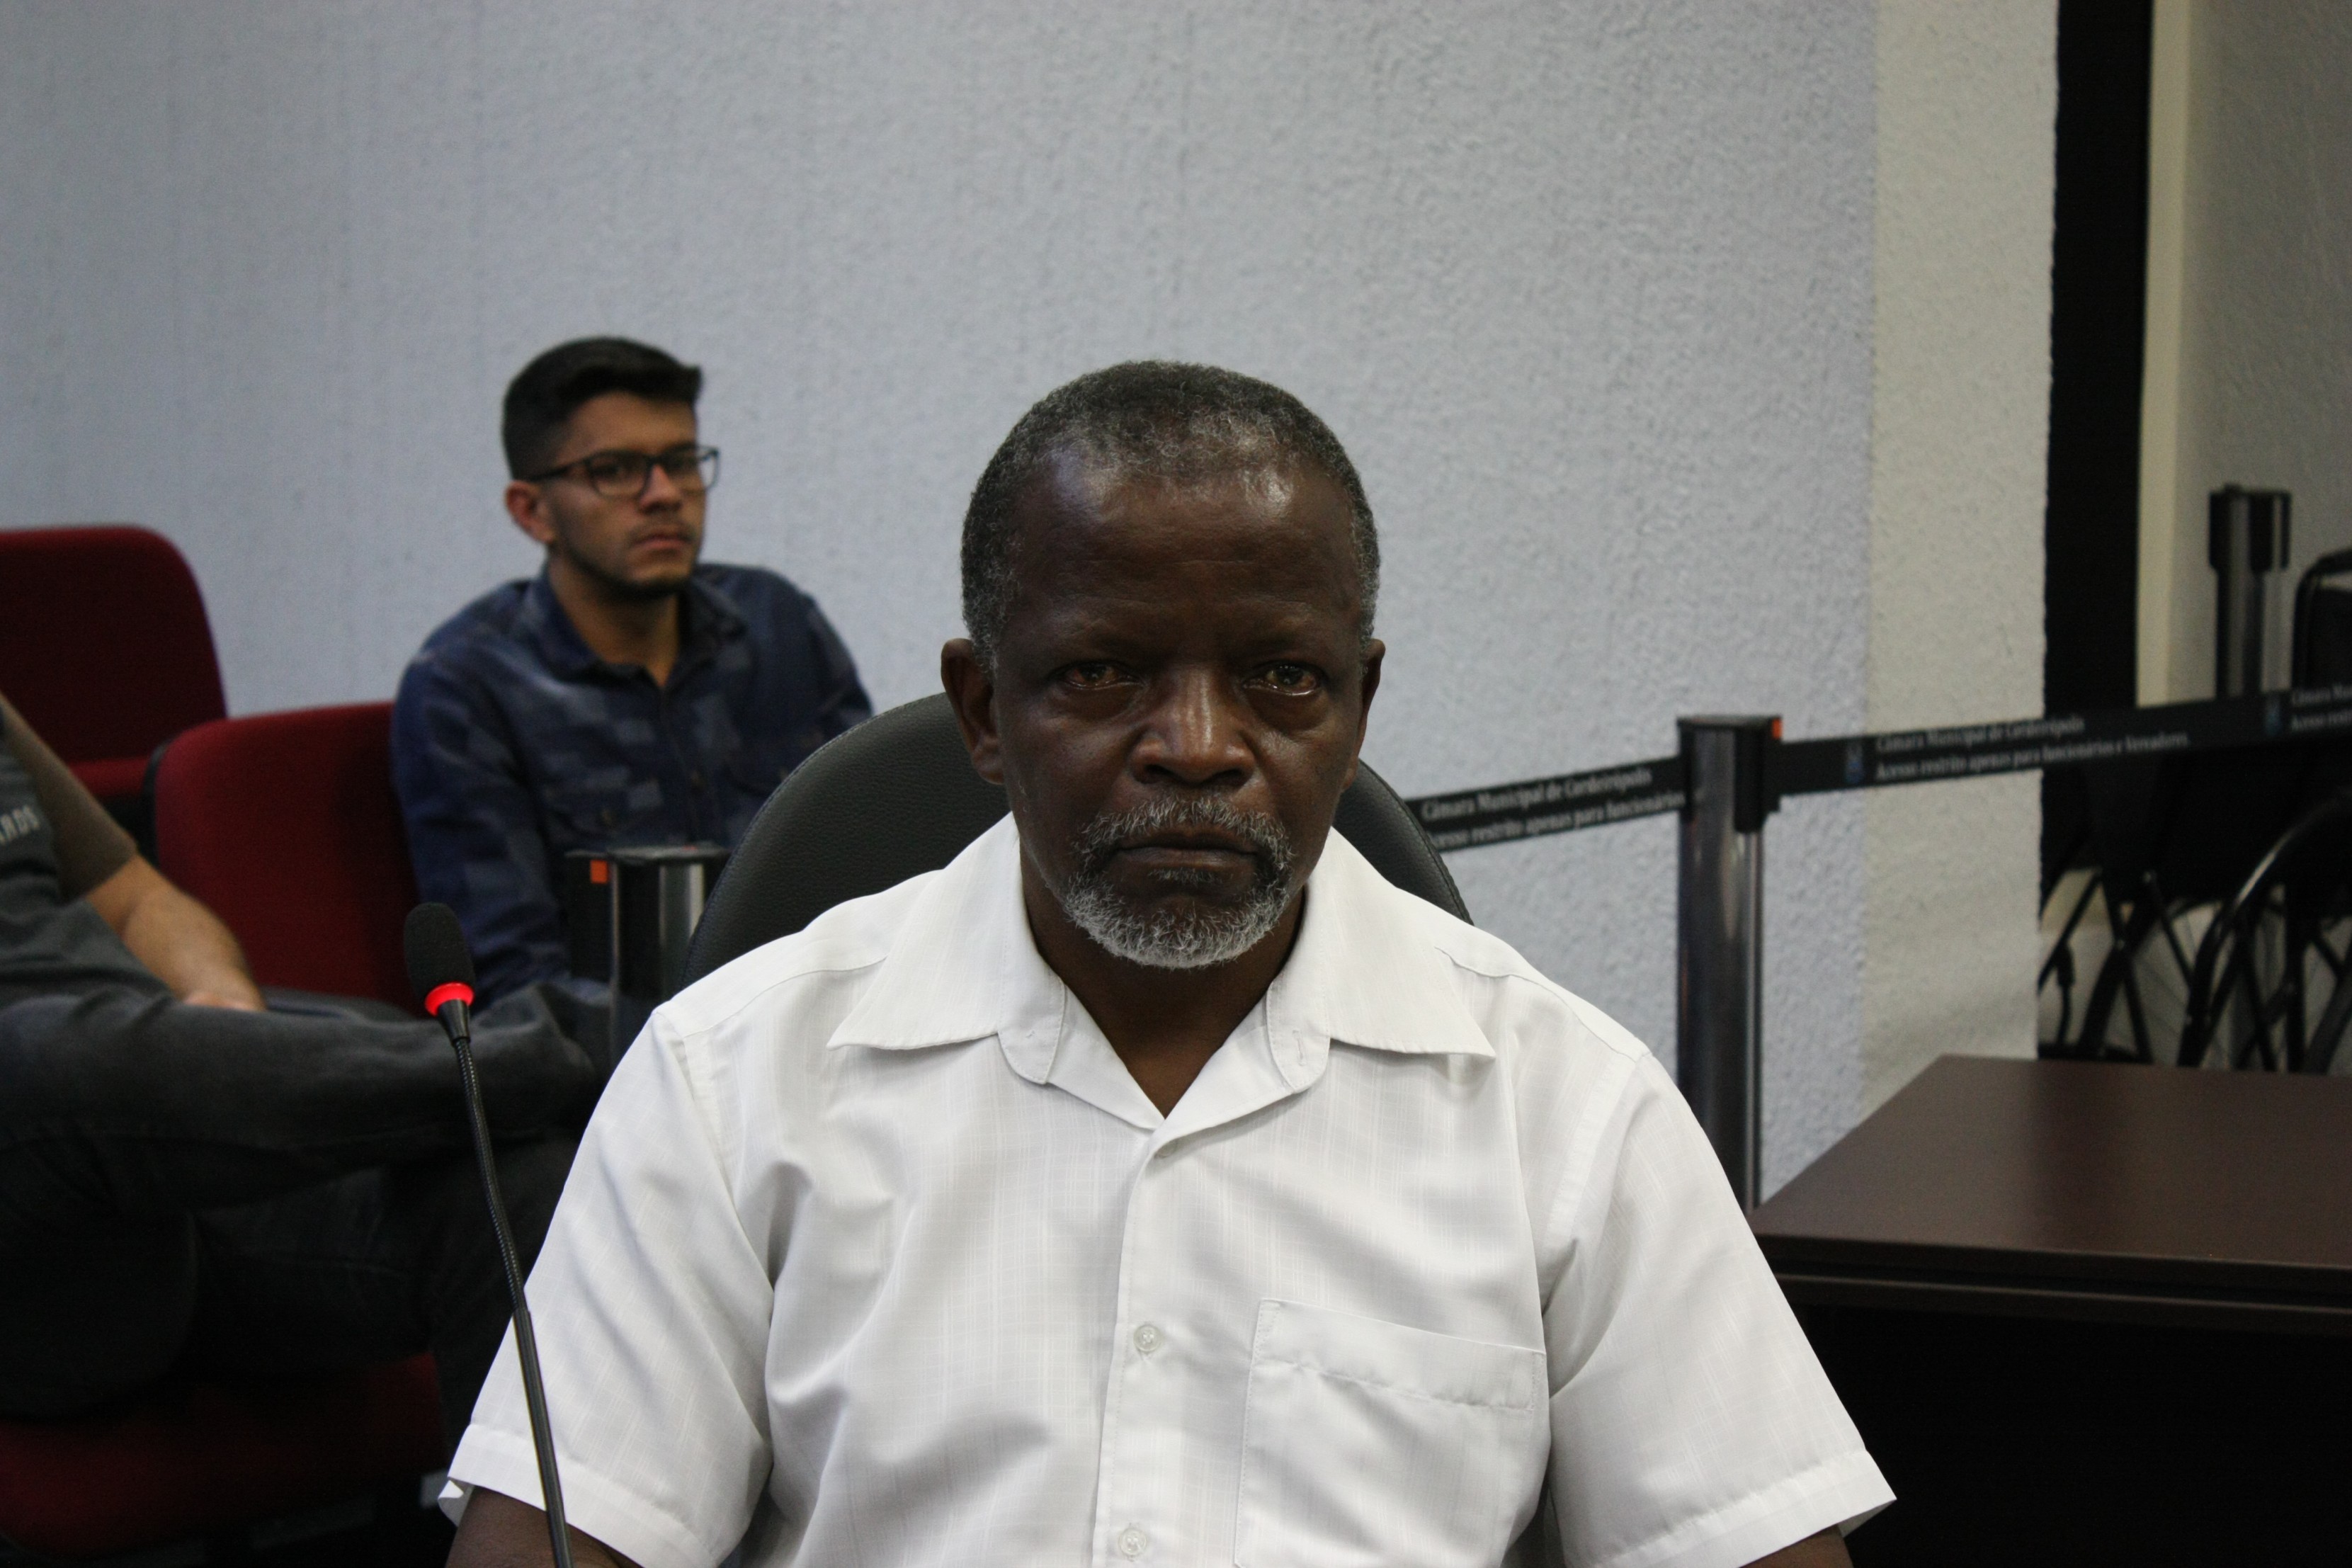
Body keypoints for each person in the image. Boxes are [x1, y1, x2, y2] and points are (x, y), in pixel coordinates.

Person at [446, 363, 1891, 1567]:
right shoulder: (730, 1078)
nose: (1197, 745)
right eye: (1102, 671)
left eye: (1282, 678)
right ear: (983, 710)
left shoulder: (1564, 1105)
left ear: (1358, 704)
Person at [0, 695, 600, 1452]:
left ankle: (529, 1064)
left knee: (510, 1181)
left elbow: (136, 900)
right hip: (33, 1231)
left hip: (153, 1147)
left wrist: (221, 1013)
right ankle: (573, 1052)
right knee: (43, 1058)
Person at [392, 337, 872, 1004]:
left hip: (825, 1015)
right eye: (614, 470)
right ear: (532, 511)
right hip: (625, 1054)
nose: (664, 494)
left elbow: (879, 862)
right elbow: (514, 986)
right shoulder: (467, 686)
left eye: (681, 462)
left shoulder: (776, 623)